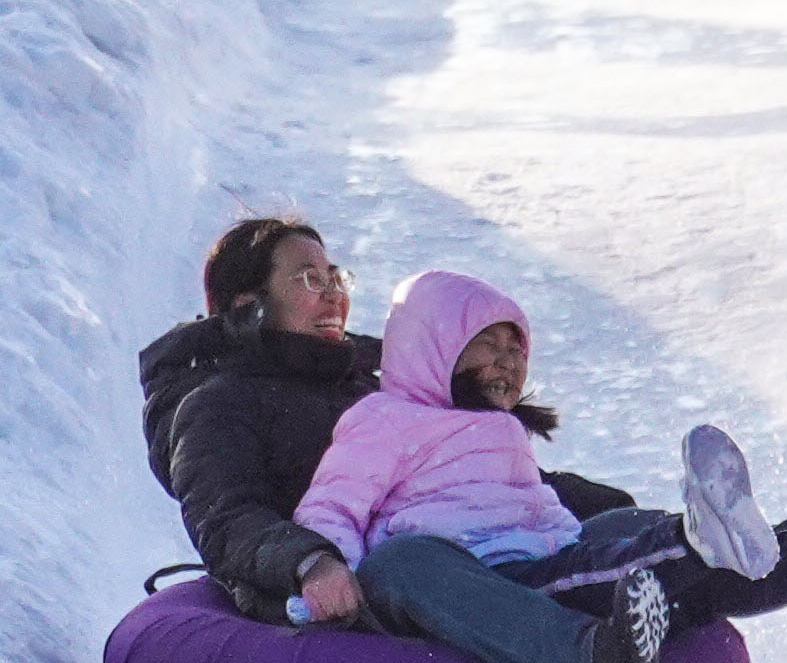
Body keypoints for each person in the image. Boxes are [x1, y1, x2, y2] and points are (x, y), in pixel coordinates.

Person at [287, 268, 787, 663]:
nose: (511, 362)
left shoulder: (500, 432)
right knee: (407, 560)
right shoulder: (383, 420)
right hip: (465, 585)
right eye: (490, 343)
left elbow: (541, 512)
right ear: (433, 344)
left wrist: (602, 543)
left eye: (518, 350)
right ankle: (603, 656)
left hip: (536, 569)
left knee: (622, 533)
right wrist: (321, 571)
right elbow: (332, 506)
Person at [142, 216, 638, 627]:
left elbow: (467, 473)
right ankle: (595, 662)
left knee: (623, 525)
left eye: (336, 277)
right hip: (360, 589)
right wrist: (310, 562)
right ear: (248, 306)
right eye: (309, 278)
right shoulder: (215, 405)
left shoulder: (366, 384)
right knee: (422, 566)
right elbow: (228, 518)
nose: (334, 295)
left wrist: (595, 506)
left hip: (475, 547)